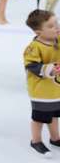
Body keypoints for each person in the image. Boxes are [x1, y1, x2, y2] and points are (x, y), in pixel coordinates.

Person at [24, 9, 60, 157]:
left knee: (54, 115)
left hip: (55, 90)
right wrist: (50, 69)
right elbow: (31, 66)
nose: (56, 27)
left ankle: (55, 138)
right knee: (40, 118)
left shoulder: (58, 40)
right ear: (39, 32)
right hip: (41, 92)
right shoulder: (34, 47)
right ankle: (36, 140)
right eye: (51, 26)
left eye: (56, 23)